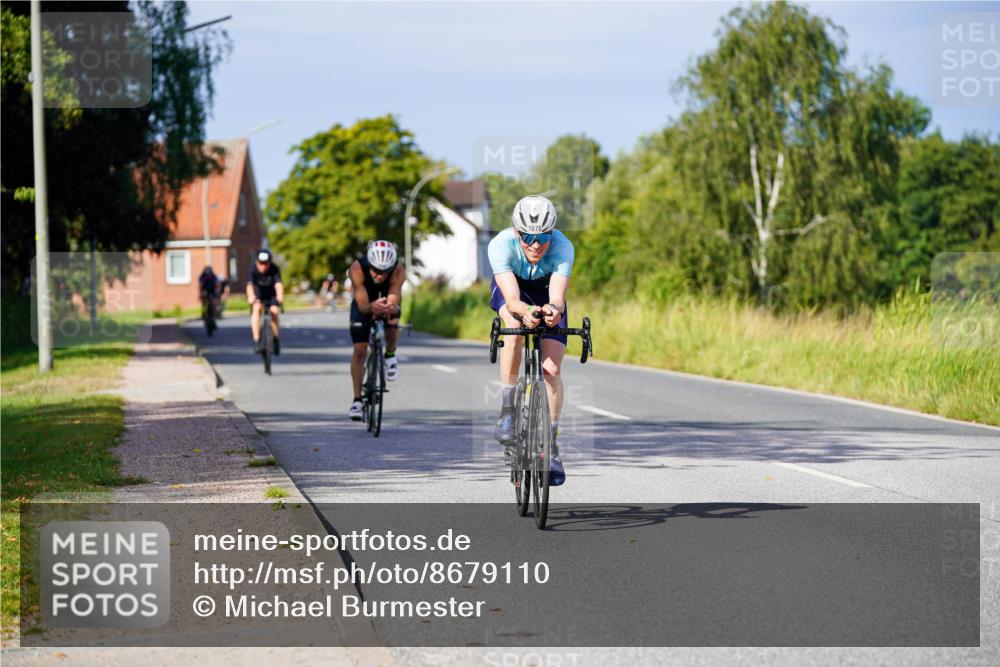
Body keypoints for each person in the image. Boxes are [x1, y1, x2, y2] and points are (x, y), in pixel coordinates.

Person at [488, 195, 573, 486]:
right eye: (527, 237)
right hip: (513, 291)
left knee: (551, 368)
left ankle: (551, 443)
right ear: (516, 233)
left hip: (546, 291)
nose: (535, 245)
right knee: (513, 328)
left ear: (552, 233)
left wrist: (553, 311)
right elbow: (512, 300)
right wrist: (526, 313)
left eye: (543, 237)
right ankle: (509, 410)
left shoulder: (563, 247)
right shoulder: (500, 245)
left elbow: (558, 297)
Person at [347, 240, 404, 421]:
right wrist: (371, 307)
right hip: (364, 300)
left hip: (386, 298)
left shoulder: (397, 271)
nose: (380, 276)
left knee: (393, 321)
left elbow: (394, 302)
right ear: (369, 264)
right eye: (376, 271)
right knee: (359, 350)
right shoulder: (356, 269)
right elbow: (363, 306)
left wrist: (389, 308)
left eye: (384, 272)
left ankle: (390, 354)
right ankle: (357, 400)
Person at [246, 249, 284, 355]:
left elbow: (278, 284)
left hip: (271, 294)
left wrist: (280, 296)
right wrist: (251, 296)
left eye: (266, 264)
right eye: (261, 263)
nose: (263, 266)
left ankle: (276, 339)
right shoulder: (252, 269)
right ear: (257, 262)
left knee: (275, 311)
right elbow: (249, 285)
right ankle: (257, 341)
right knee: (257, 308)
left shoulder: (274, 269)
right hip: (258, 295)